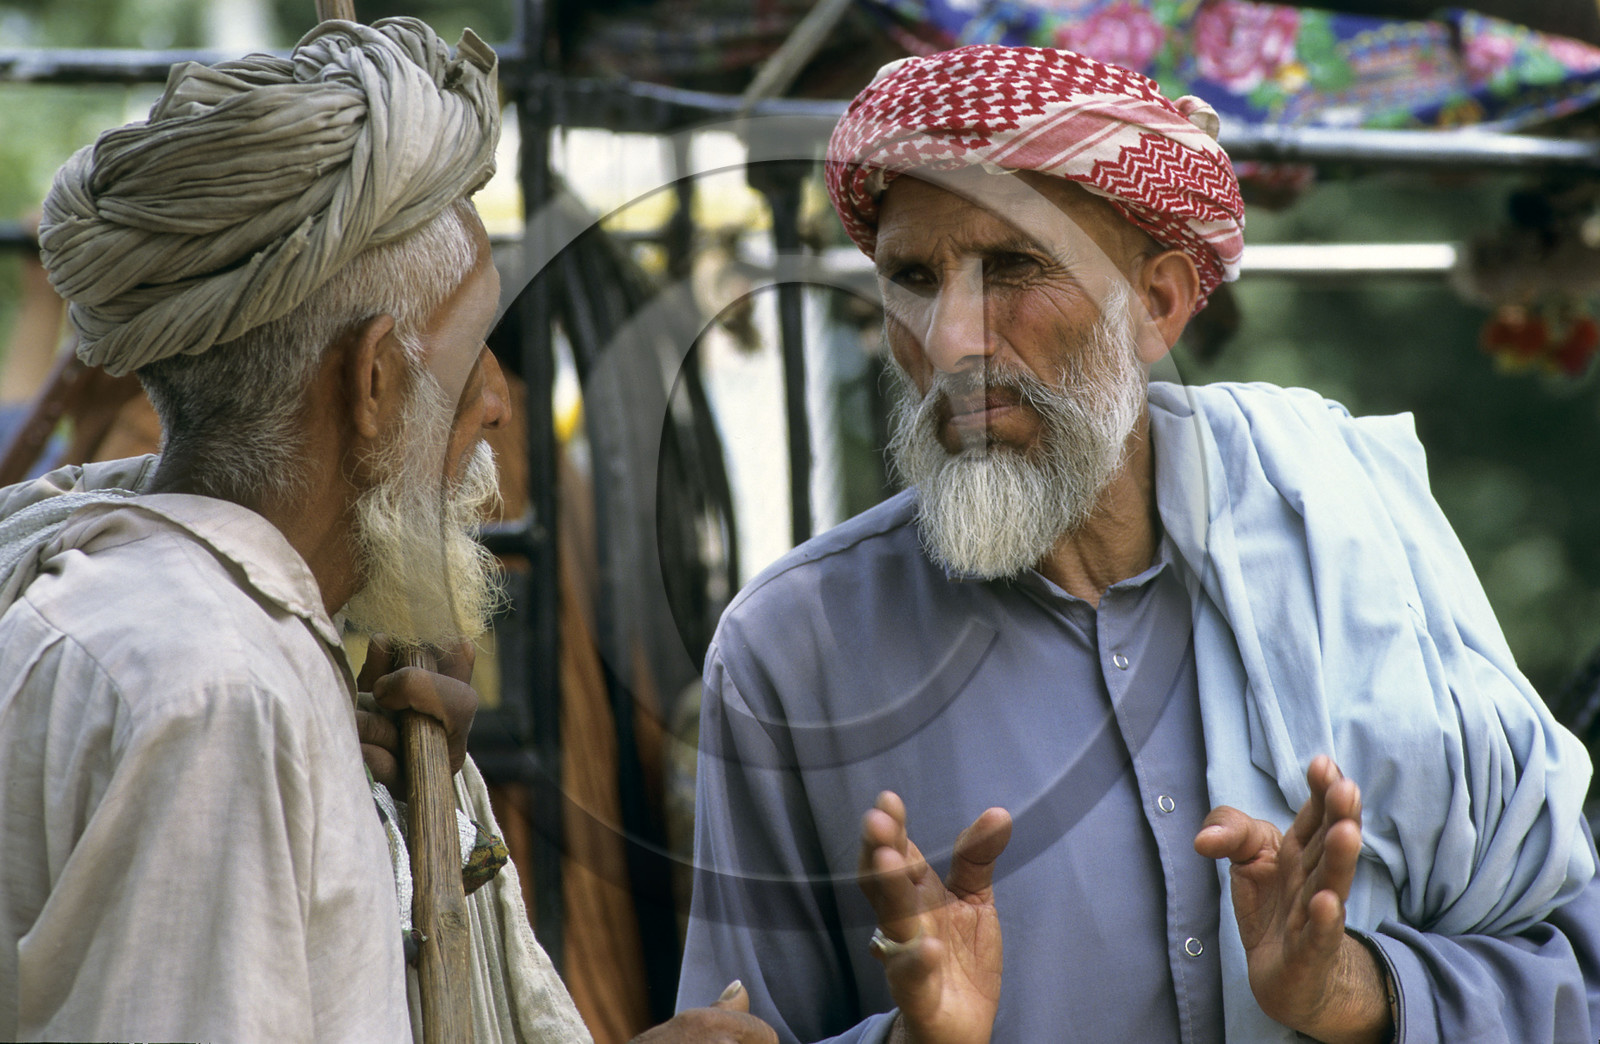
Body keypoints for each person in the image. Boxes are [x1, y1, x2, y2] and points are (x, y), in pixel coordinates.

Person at [677, 44, 1600, 1044]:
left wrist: (1358, 990)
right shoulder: (789, 650)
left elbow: (1571, 975)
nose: (949, 341)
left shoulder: (1349, 539)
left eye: (1015, 267)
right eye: (910, 277)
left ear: (1156, 303)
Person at [0, 18, 774, 1044]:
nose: (496, 404)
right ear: (372, 383)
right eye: (474, 349)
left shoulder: (188, 624)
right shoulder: (217, 691)